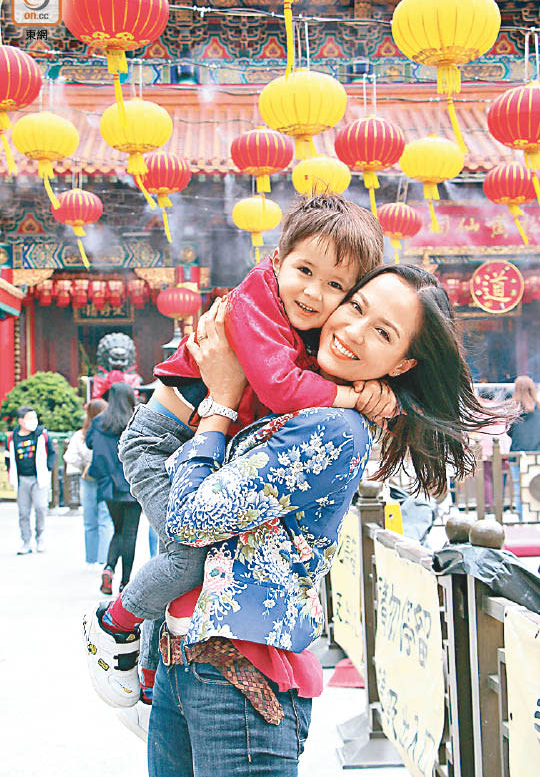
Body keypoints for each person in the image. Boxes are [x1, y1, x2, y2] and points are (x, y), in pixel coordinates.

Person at [85, 265, 510, 770]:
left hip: (241, 682)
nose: (354, 330)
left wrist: (220, 402)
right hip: (185, 664)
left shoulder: (331, 428)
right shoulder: (290, 387)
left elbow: (192, 518)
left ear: (401, 365)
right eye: (355, 306)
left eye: (383, 333)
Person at [82, 194, 397, 708]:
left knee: (187, 555)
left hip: (191, 443)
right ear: (276, 260)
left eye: (336, 286)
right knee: (187, 559)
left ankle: (147, 679)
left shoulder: (305, 327)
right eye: (304, 270)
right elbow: (277, 387)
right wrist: (353, 395)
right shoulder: (254, 302)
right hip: (158, 444)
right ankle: (113, 622)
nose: (315, 293)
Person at [85, 382, 142, 595]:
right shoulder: (135, 421)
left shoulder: (99, 421)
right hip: (132, 484)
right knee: (130, 534)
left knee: (118, 530)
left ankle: (109, 569)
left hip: (109, 486)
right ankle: (125, 582)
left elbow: (90, 444)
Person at [63, 398, 113, 568]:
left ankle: (93, 559)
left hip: (89, 479)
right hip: (104, 478)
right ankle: (102, 559)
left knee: (92, 520)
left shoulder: (81, 434)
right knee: (103, 518)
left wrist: (84, 464)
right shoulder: (108, 431)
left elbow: (70, 457)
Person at [6, 406, 56, 555]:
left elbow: (52, 453)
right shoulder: (12, 437)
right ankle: (26, 541)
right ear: (21, 421)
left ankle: (40, 537)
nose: (33, 422)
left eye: (34, 418)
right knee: (23, 512)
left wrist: (47, 468)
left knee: (41, 508)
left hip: (38, 477)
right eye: (29, 418)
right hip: (22, 479)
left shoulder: (42, 434)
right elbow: (8, 458)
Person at [508, 375, 540, 515]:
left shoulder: (513, 410)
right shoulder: (539, 409)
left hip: (517, 454)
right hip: (537, 453)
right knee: (536, 487)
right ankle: (536, 516)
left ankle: (522, 518)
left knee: (519, 488)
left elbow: (509, 432)